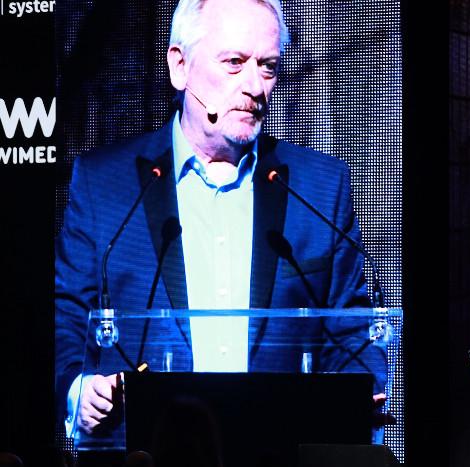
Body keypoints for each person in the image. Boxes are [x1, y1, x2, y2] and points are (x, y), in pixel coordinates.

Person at [55, 0, 385, 438]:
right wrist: (79, 390)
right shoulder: (103, 183)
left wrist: (357, 395)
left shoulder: (319, 188)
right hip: (142, 462)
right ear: (180, 66)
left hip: (282, 463)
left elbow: (353, 327)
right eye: (234, 63)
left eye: (267, 67)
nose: (255, 86)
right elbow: (67, 318)